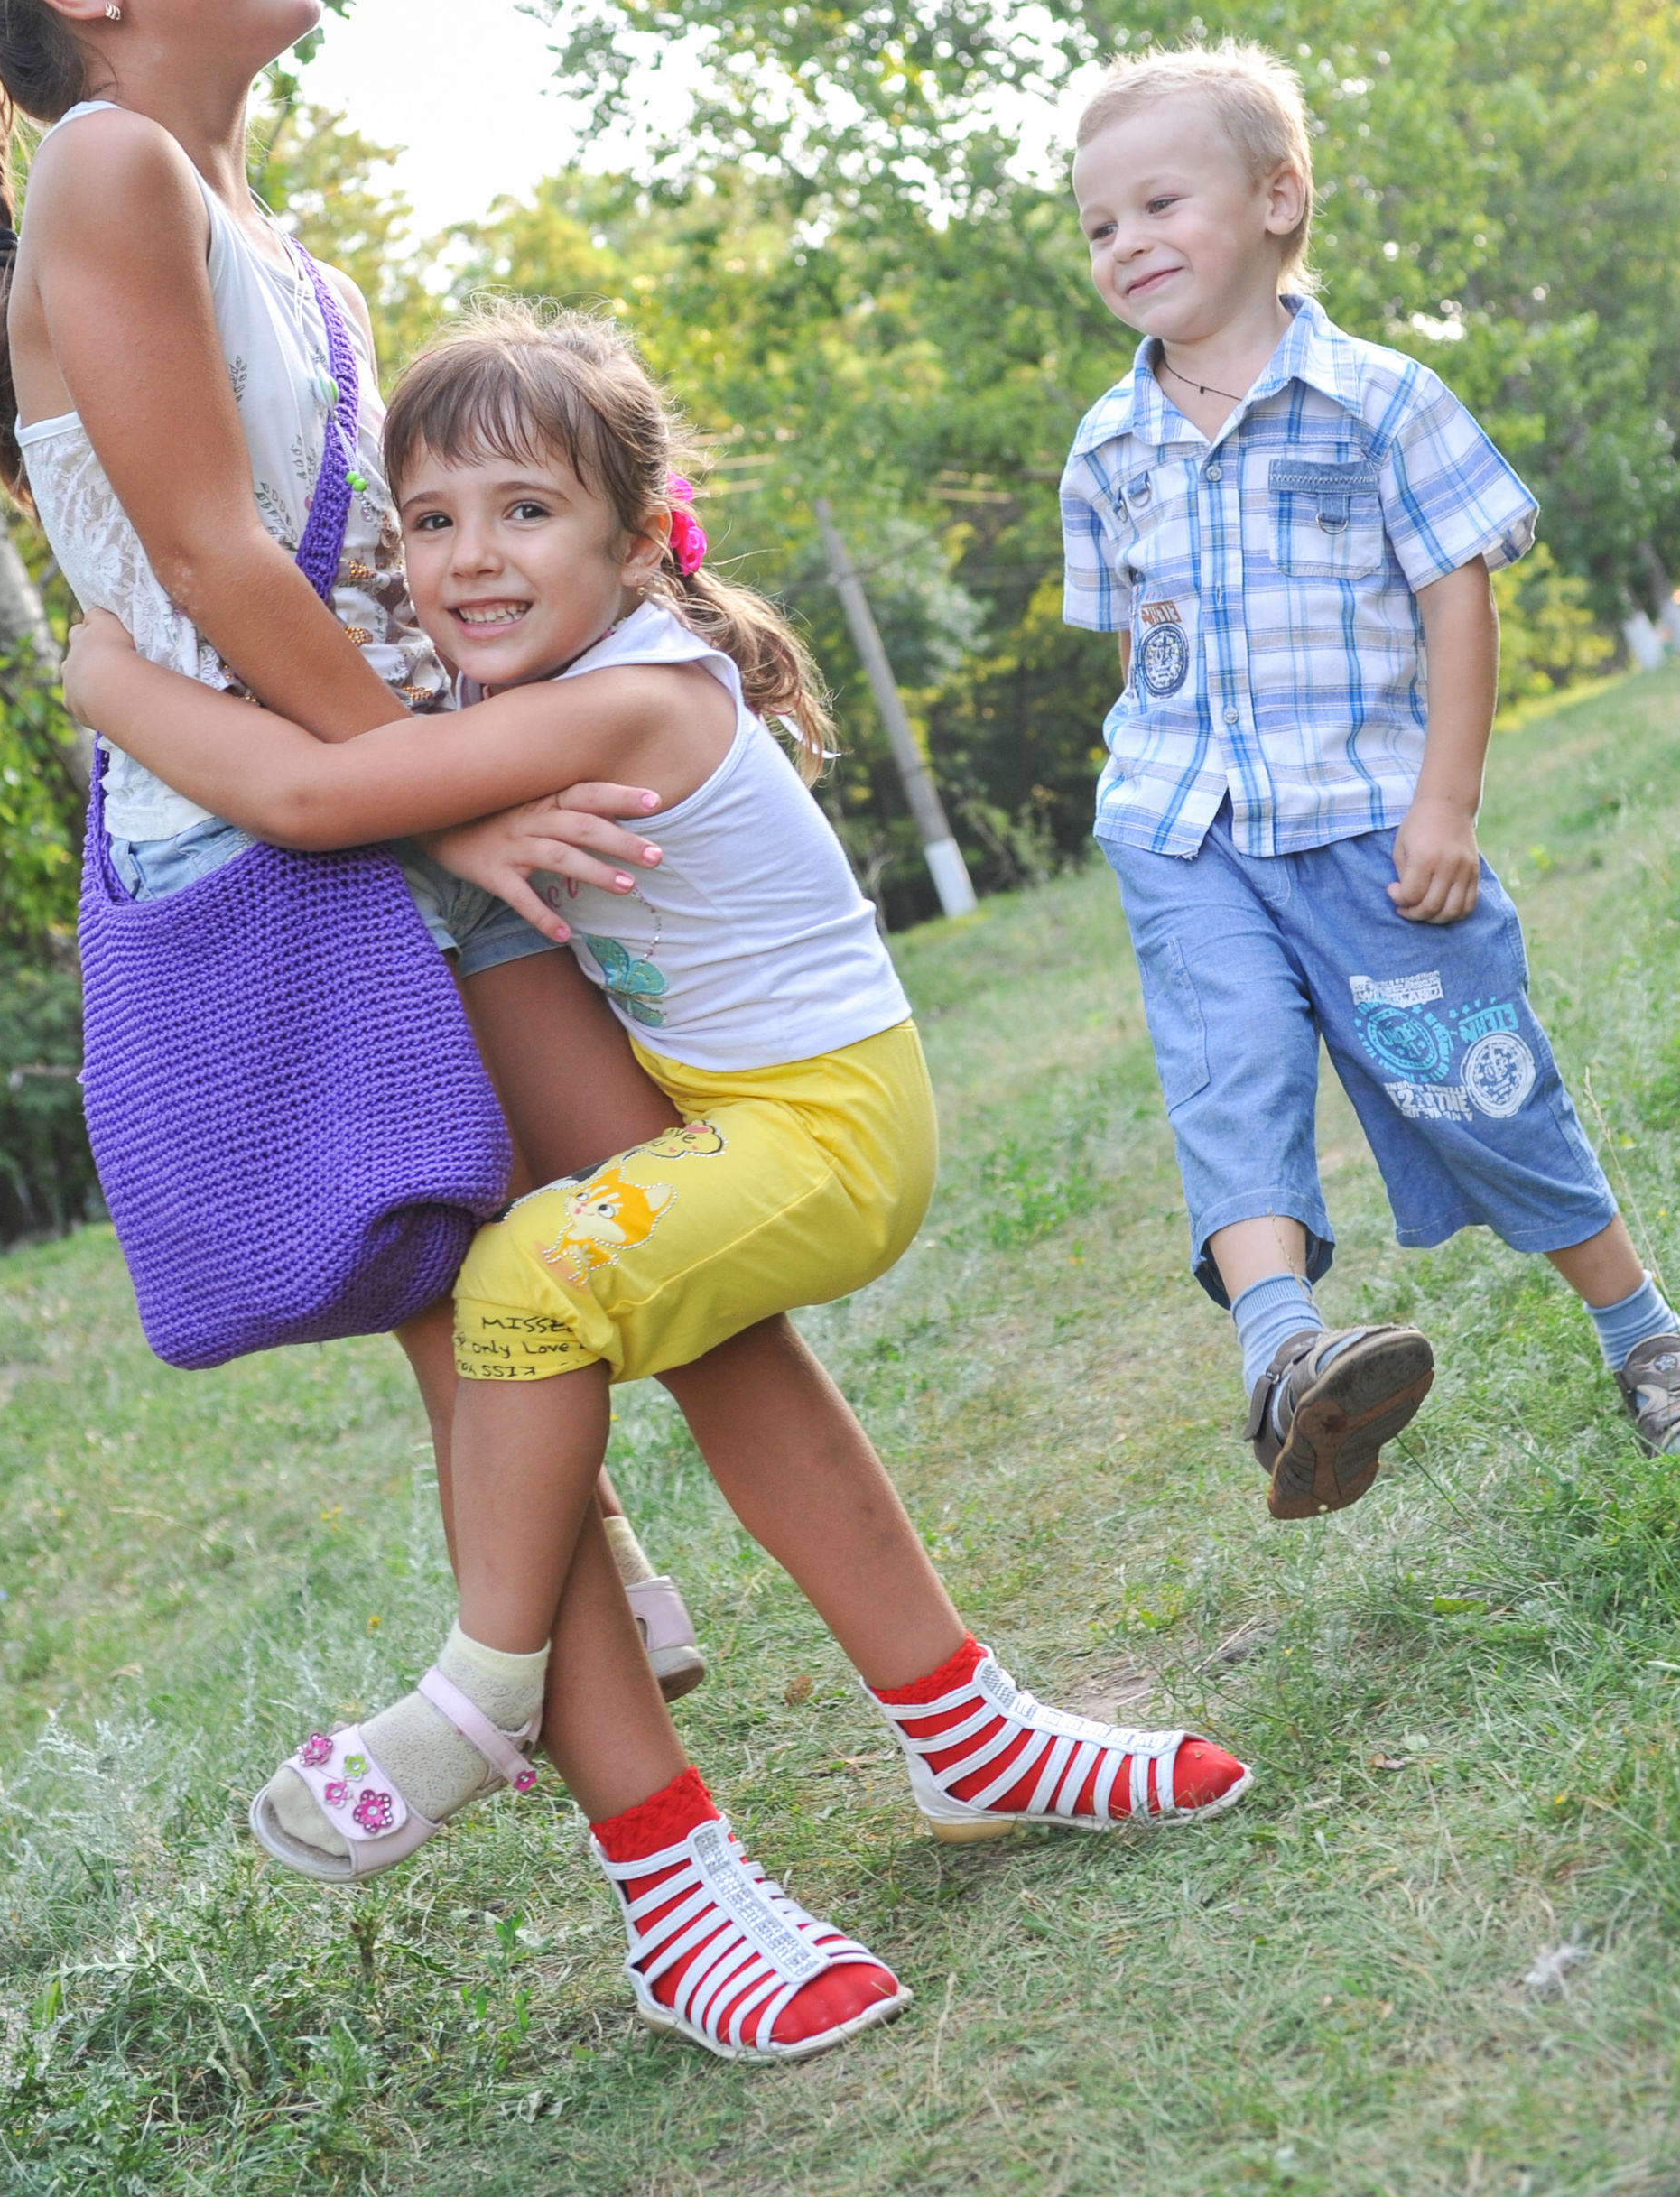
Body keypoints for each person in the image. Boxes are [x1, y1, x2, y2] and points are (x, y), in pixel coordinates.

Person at [63, 305, 1254, 2064]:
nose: (467, 558)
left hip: (820, 1136)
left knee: (518, 1286)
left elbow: (319, 788)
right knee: (575, 1290)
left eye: (523, 512)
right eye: (431, 520)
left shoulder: (618, 696)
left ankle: (480, 1693)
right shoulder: (566, 680)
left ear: (630, 540)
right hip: (765, 1118)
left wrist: (104, 681)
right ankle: (963, 1733)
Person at [0, 0, 709, 1755]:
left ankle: (884, 1686)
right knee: (489, 1316)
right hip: (309, 828)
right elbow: (206, 556)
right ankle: (654, 1851)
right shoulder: (110, 170)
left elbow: (294, 553)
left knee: (601, 1265)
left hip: (364, 787)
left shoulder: (264, 234)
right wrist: (467, 791)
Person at [1058, 42, 1680, 1516]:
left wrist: (1445, 806)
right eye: (1099, 225)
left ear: (1277, 197)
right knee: (1228, 1078)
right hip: (1186, 836)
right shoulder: (1108, 444)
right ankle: (1286, 1360)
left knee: (1479, 1088)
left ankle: (1649, 1341)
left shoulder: (1382, 402)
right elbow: (1138, 642)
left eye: (1158, 204)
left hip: (1370, 829)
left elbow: (1458, 600)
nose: (1126, 243)